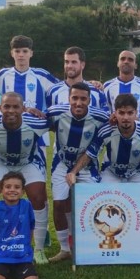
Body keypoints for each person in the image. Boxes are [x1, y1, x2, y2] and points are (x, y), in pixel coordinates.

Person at [0, 92, 50, 266]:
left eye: (16, 107)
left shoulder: (35, 123)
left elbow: (57, 122)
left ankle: (39, 249)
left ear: (23, 108)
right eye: (7, 106)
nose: (11, 111)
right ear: (0, 108)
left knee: (38, 198)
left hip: (28, 162)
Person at [44, 82, 110, 262]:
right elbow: (40, 118)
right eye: (74, 98)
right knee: (59, 204)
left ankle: (92, 245)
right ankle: (65, 249)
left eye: (83, 99)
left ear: (89, 100)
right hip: (62, 163)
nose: (78, 102)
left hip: (88, 166)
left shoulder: (100, 117)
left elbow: (114, 122)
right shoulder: (56, 112)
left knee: (93, 206)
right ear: (69, 98)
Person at [67, 93, 140, 184]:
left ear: (136, 113)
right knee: (103, 193)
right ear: (115, 113)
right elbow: (89, 154)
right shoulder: (106, 131)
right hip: (111, 171)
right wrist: (73, 172)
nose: (126, 117)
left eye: (130, 113)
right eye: (121, 113)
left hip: (138, 172)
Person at [0, 171, 38, 279]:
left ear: (23, 191)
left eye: (17, 187)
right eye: (8, 187)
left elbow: (31, 227)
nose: (12, 190)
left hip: (22, 257)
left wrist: (26, 246)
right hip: (1, 256)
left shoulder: (27, 205)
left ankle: (17, 272)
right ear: (1, 190)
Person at [0, 35, 59, 110]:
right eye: (17, 51)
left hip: (35, 118)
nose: (21, 55)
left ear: (31, 53)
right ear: (12, 53)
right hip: (10, 118)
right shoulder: (3, 74)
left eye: (25, 51)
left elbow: (61, 87)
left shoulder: (42, 75)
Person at [102, 50, 140, 118]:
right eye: (122, 59)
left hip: (139, 125)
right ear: (118, 63)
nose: (126, 61)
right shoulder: (107, 86)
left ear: (135, 65)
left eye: (130, 60)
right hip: (115, 125)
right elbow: (103, 110)